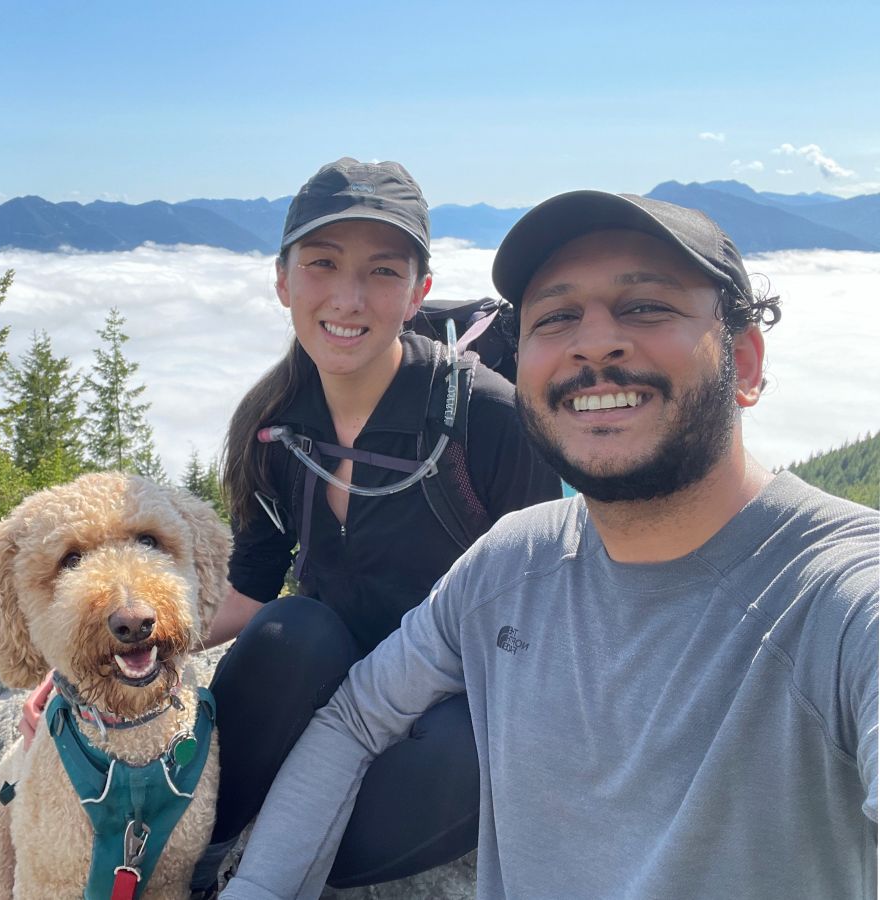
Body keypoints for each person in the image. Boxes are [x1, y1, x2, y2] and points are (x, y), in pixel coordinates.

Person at [220, 191, 879, 899]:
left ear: (744, 362)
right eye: (557, 317)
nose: (594, 342)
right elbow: (354, 717)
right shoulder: (510, 564)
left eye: (646, 307)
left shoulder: (838, 596)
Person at [190, 158, 561, 892]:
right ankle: (206, 846)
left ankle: (324, 865)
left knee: (477, 743)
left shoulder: (486, 419)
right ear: (283, 281)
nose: (348, 298)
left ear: (419, 290)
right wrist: (103, 657)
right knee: (294, 633)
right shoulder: (274, 427)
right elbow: (252, 589)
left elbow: (548, 605)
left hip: (444, 699)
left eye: (382, 272)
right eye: (322, 264)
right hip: (326, 683)